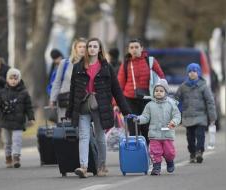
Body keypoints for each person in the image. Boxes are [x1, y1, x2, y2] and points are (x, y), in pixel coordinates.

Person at [66, 38, 130, 178]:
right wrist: (69, 111)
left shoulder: (106, 67)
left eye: (95, 46)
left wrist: (126, 111)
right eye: (90, 46)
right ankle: (83, 167)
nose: (92, 49)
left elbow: (116, 90)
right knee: (84, 136)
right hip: (83, 105)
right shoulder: (78, 67)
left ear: (100, 49)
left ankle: (101, 166)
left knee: (100, 136)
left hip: (100, 106)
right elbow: (73, 90)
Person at [127, 79, 181, 175]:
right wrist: (138, 119)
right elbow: (146, 117)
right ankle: (156, 167)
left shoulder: (171, 104)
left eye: (161, 91)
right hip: (154, 134)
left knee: (169, 153)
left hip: (167, 134)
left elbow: (177, 116)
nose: (158, 93)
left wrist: (173, 122)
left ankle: (170, 161)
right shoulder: (150, 105)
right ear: (153, 92)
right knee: (155, 151)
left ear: (166, 92)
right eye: (156, 91)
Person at [117, 39, 165, 145]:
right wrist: (116, 103)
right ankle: (136, 155)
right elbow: (119, 85)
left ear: (141, 48)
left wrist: (161, 95)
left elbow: (162, 78)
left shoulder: (150, 61)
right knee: (133, 129)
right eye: (132, 48)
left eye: (136, 47)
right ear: (129, 50)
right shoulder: (125, 64)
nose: (134, 50)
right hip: (129, 100)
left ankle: (148, 153)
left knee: (146, 128)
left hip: (147, 99)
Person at [0, 68, 35, 168]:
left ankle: (16, 158)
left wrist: (31, 117)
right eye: (11, 78)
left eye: (15, 78)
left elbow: (29, 107)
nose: (13, 81)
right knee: (7, 142)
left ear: (19, 80)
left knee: (17, 140)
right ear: (7, 79)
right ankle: (8, 158)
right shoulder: (1, 93)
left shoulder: (24, 93)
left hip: (18, 121)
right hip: (5, 120)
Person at [175, 63, 217, 163]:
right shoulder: (183, 87)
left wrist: (212, 117)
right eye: (190, 71)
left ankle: (199, 152)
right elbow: (176, 99)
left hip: (200, 116)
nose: (192, 73)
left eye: (194, 71)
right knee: (190, 138)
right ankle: (192, 153)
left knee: (200, 135)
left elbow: (210, 101)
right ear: (187, 73)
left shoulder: (204, 86)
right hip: (188, 116)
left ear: (198, 72)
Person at [49, 38, 86, 122]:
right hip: (66, 100)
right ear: (75, 48)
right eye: (80, 47)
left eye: (84, 47)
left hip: (83, 101)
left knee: (82, 129)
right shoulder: (64, 63)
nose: (82, 49)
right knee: (66, 129)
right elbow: (57, 82)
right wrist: (53, 99)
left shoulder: (89, 64)